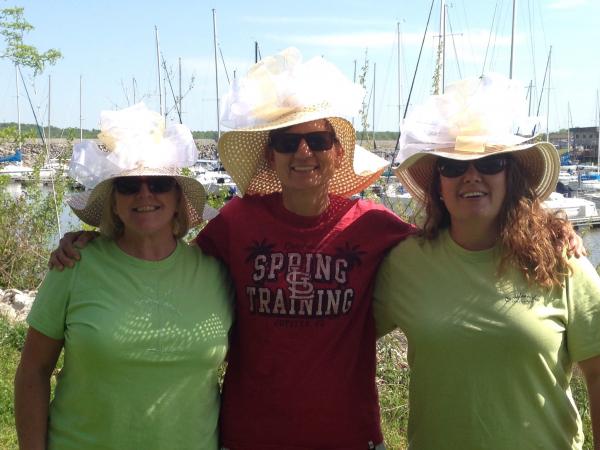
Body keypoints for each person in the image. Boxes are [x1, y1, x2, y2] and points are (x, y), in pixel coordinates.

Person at [47, 53, 585, 449]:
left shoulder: (378, 228)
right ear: (271, 156)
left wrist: (547, 225)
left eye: (317, 140)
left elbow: (460, 241)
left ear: (336, 152)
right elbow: (163, 251)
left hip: (349, 437)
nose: (302, 152)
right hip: (249, 436)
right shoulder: (236, 223)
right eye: (285, 141)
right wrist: (95, 239)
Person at [373, 74, 600, 449]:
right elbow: (343, 336)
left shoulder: (561, 258)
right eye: (453, 166)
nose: (472, 176)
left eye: (491, 162)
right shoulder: (405, 263)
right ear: (439, 184)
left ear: (510, 175)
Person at [15, 103, 233, 450]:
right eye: (129, 185)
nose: (145, 193)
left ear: (178, 199)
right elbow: (33, 372)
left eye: (159, 183)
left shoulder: (216, 273)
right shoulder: (74, 265)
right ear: (113, 202)